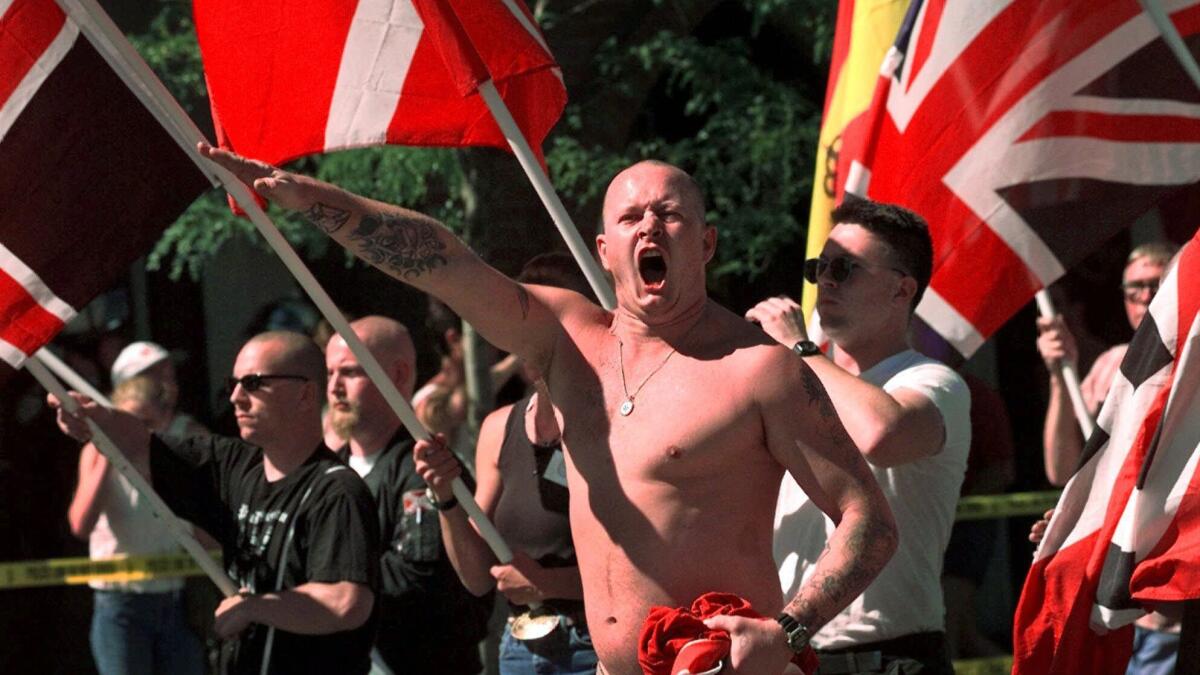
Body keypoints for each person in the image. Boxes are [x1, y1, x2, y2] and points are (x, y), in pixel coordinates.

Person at [199, 143, 898, 675]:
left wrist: (790, 630)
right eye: (630, 216)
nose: (650, 224)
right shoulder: (567, 341)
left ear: (706, 243)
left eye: (671, 213)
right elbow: (445, 262)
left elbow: (869, 518)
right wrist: (314, 201)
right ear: (605, 249)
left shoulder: (759, 370)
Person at [51, 331, 380, 675]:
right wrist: (98, 419)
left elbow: (347, 601)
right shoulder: (234, 464)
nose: (236, 397)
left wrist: (255, 608)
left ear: (306, 393)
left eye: (253, 383)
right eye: (233, 383)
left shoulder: (337, 491)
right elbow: (141, 444)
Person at [747, 198, 971, 674]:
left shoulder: (936, 382)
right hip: (792, 653)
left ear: (901, 290)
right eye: (819, 267)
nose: (825, 281)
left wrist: (799, 348)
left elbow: (880, 435)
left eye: (845, 268)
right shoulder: (790, 384)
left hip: (890, 658)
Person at [414, 253, 599, 675]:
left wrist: (550, 583)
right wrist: (446, 498)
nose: (524, 335)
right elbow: (478, 576)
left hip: (602, 645)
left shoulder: (620, 420)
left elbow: (651, 558)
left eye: (543, 319)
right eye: (520, 319)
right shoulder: (500, 427)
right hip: (522, 647)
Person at [1035, 241, 1179, 675]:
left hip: (1175, 597)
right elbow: (1061, 469)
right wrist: (1062, 374)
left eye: (1158, 285)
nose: (1146, 298)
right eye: (1134, 288)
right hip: (1119, 604)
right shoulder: (1113, 365)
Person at [325, 315, 493, 674]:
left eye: (351, 372)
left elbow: (415, 580)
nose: (335, 387)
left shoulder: (431, 469)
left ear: (398, 375)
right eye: (329, 373)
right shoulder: (327, 474)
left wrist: (323, 586)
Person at [68, 376, 208, 675]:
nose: (134, 433)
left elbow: (209, 534)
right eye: (126, 423)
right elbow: (81, 524)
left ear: (165, 421)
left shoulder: (175, 455)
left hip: (174, 597)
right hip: (120, 601)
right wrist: (109, 453)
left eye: (146, 423)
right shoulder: (96, 452)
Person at [109, 340, 208, 440]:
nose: (167, 383)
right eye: (153, 375)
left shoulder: (192, 435)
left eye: (169, 374)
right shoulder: (109, 442)